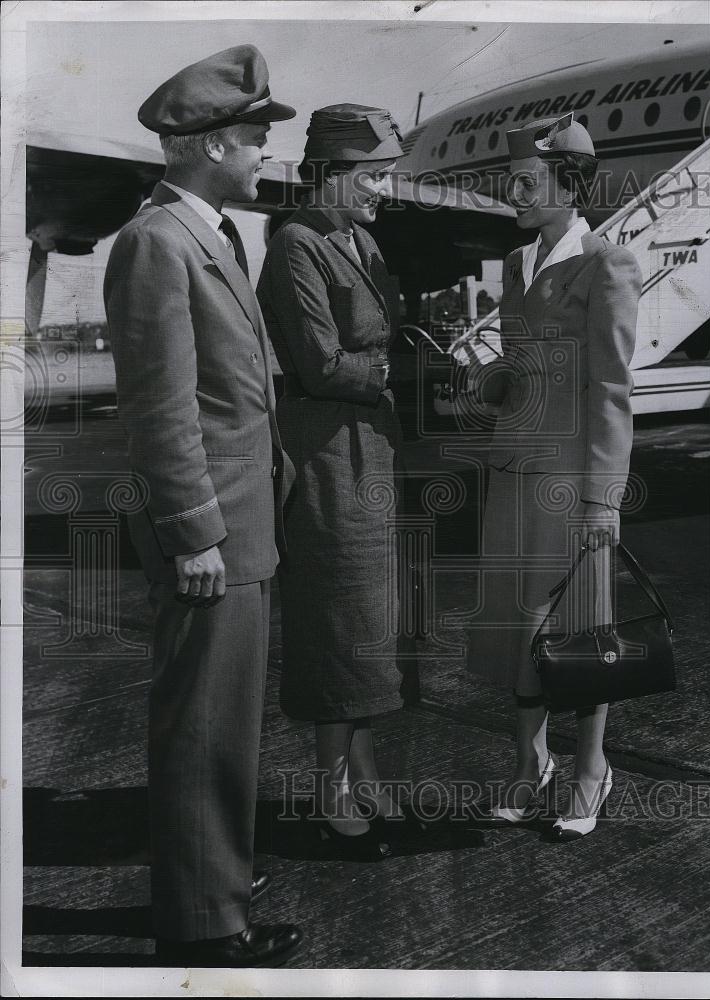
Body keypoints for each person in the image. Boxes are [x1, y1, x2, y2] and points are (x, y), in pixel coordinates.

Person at [104, 46, 303, 966]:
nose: (266, 152)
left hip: (243, 524)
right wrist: (193, 534)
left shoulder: (212, 234)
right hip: (212, 532)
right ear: (216, 144)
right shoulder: (157, 242)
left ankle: (215, 892)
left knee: (228, 727)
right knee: (203, 730)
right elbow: (160, 405)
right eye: (258, 137)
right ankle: (204, 931)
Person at [465, 112, 642, 840]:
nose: (514, 195)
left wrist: (604, 498)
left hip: (572, 485)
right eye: (511, 183)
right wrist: (489, 383)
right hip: (513, 471)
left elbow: (610, 389)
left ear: (568, 184)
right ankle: (527, 763)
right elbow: (516, 361)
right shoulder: (515, 262)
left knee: (578, 631)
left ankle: (591, 769)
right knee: (516, 626)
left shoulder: (608, 263)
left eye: (527, 183)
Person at [257, 105, 410, 860]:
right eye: (375, 175)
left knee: (370, 615)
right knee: (336, 616)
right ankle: (331, 786)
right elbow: (319, 363)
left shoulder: (361, 239)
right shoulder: (296, 245)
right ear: (334, 174)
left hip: (369, 447)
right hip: (325, 453)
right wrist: (389, 372)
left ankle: (365, 765)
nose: (385, 188)